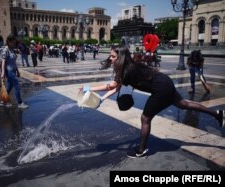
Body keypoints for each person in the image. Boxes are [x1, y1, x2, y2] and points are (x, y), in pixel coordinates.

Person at [80, 46, 224, 158]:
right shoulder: (127, 67)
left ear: (121, 57)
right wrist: (101, 99)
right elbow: (116, 88)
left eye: (113, 56)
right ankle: (218, 114)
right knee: (183, 104)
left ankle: (141, 150)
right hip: (164, 82)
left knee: (145, 118)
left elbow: (110, 86)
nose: (110, 59)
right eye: (110, 56)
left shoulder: (125, 70)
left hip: (160, 88)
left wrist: (87, 88)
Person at [0, 34, 28, 109]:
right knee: (17, 85)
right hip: (9, 71)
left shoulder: (11, 49)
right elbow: (3, 62)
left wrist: (17, 71)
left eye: (15, 42)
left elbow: (14, 62)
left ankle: (3, 101)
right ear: (9, 42)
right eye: (13, 42)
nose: (14, 43)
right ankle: (20, 102)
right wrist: (3, 73)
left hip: (13, 70)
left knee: (10, 86)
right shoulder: (5, 50)